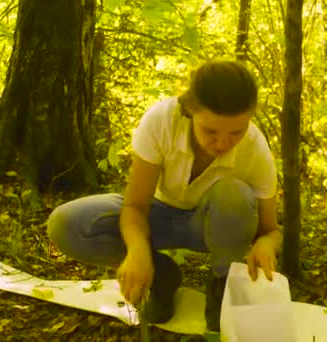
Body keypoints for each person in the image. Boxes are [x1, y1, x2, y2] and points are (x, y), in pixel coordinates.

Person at [46, 60, 282, 335]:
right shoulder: (162, 120)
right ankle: (162, 276)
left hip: (209, 226)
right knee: (65, 224)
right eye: (210, 131)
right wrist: (137, 251)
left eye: (236, 132)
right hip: (155, 216)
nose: (223, 143)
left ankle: (222, 285)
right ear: (192, 110)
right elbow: (135, 206)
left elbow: (271, 231)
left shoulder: (254, 148)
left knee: (235, 194)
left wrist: (265, 244)